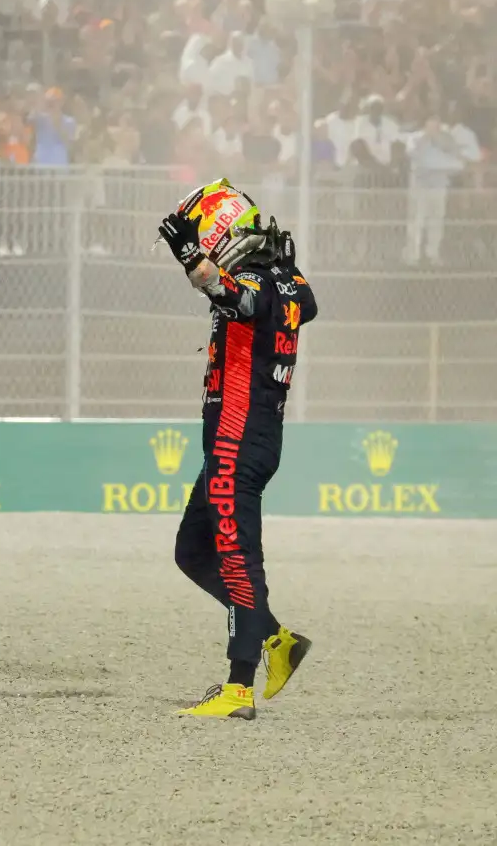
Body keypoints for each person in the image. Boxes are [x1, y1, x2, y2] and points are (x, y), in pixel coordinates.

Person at [155, 178, 318, 721]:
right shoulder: (289, 279)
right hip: (252, 437)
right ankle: (275, 639)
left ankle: (238, 689)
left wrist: (189, 258)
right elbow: (301, 303)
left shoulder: (250, 278)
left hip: (236, 437)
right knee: (193, 551)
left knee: (237, 557)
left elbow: (233, 296)